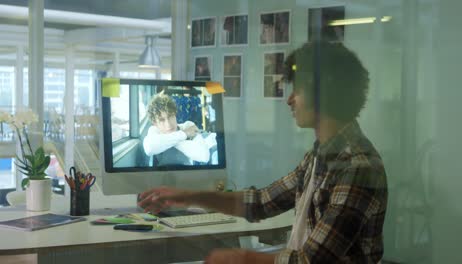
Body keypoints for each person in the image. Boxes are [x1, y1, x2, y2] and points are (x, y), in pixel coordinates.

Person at [138, 41, 388, 263]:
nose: (289, 100)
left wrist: (243, 258)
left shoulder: (357, 167)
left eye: (297, 90)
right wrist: (187, 197)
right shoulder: (319, 156)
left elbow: (308, 261)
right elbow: (261, 202)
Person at [143, 93, 217, 166]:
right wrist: (184, 134)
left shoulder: (188, 125)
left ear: (175, 114)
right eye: (162, 120)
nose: (168, 124)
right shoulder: (154, 130)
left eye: (170, 116)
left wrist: (170, 141)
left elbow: (204, 156)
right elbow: (149, 148)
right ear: (155, 123)